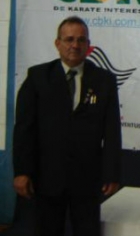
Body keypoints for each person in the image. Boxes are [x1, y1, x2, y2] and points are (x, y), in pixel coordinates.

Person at [13, 16, 122, 236]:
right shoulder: (37, 77)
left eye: (81, 40)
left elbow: (112, 131)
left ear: (88, 45)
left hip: (87, 178)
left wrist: (112, 173)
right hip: (47, 177)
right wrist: (22, 172)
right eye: (69, 39)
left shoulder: (104, 80)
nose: (75, 45)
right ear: (57, 43)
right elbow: (24, 129)